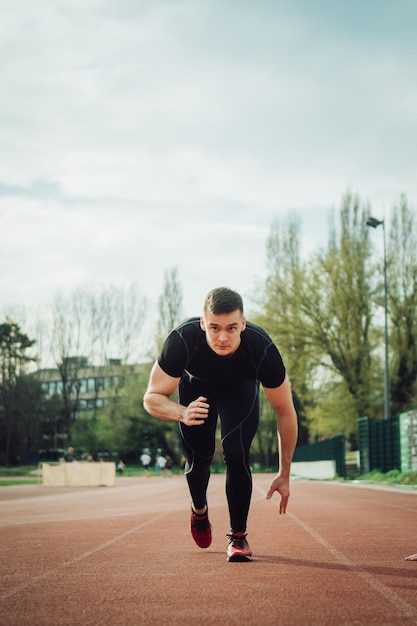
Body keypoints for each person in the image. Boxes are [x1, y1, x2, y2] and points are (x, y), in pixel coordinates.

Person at [143, 287, 298, 562]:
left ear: (243, 324)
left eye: (231, 328)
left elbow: (285, 411)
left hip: (240, 388)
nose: (223, 337)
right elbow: (152, 398)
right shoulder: (182, 340)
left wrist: (284, 473)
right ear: (202, 323)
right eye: (214, 327)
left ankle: (238, 536)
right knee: (200, 458)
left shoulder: (262, 349)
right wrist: (181, 412)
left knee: (237, 453)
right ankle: (199, 510)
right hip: (195, 392)